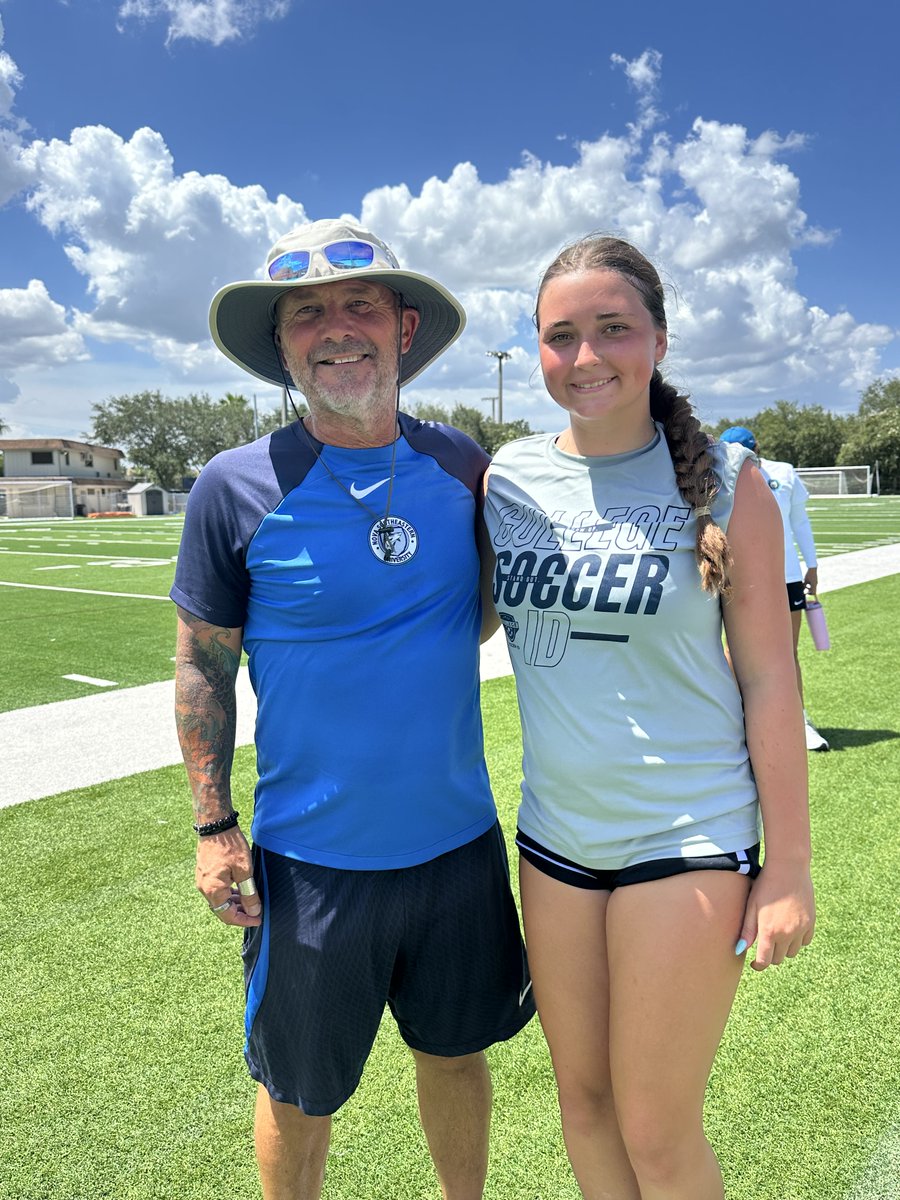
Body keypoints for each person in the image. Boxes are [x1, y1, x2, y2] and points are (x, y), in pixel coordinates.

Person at [171, 218, 534, 1200]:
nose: (337, 330)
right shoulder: (232, 488)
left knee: (458, 1056)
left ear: (404, 326)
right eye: (308, 315)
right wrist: (213, 827)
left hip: (458, 847)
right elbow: (204, 667)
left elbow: (493, 609)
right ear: (283, 345)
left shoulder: (464, 465)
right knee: (299, 1094)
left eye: (359, 305)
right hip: (310, 867)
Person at [482, 235, 815, 1200]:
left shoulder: (730, 479)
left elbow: (768, 679)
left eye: (611, 329)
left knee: (657, 1130)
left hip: (689, 833)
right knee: (581, 1105)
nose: (585, 358)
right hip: (554, 838)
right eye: (560, 337)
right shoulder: (506, 479)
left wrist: (788, 865)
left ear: (658, 340)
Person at [719, 426, 830, 751]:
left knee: (787, 653)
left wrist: (812, 565)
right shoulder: (719, 473)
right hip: (738, 576)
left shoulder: (784, 473)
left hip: (786, 575)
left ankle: (799, 721)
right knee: (732, 652)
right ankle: (734, 720)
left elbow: (799, 520)